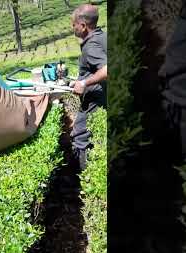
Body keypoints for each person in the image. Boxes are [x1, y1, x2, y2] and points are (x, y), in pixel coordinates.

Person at [69, 4, 107, 170]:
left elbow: (106, 69)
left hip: (94, 101)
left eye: (74, 24)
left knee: (80, 136)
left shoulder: (91, 46)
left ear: (83, 26)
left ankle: (86, 176)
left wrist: (84, 83)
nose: (72, 27)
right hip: (102, 96)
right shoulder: (102, 37)